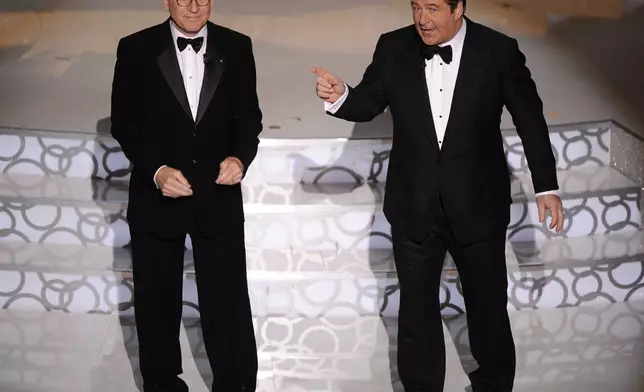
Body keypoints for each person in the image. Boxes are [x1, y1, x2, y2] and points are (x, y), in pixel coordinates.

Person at [313, 0, 564, 391]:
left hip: (478, 204)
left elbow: (530, 119)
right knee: (415, 314)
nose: (422, 19)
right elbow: (369, 101)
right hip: (414, 203)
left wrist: (546, 186)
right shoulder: (393, 46)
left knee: (487, 311)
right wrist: (340, 94)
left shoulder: (498, 50)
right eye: (416, 7)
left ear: (458, 8)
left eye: (432, 8)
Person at [110, 0, 262, 390]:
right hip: (158, 193)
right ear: (167, 2)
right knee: (156, 299)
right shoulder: (135, 47)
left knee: (227, 300)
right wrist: (156, 171)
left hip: (218, 192)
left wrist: (240, 157)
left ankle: (236, 384)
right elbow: (125, 123)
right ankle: (162, 384)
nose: (194, 6)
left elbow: (248, 116)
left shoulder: (237, 45)